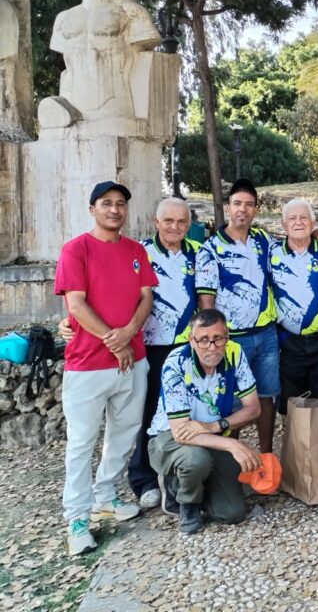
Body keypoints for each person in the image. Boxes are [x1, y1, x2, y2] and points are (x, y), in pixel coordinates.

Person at [54, 181, 157, 555]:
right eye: (106, 203)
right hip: (88, 364)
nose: (114, 210)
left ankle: (106, 494)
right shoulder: (75, 250)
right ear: (92, 209)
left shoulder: (135, 251)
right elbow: (76, 305)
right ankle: (77, 519)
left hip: (133, 361)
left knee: (125, 432)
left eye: (120, 204)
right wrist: (115, 342)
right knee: (82, 442)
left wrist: (129, 333)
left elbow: (146, 297)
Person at [147, 308, 262, 534]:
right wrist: (232, 444)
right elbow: (181, 433)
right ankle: (184, 500)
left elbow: (253, 408)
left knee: (232, 513)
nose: (212, 347)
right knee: (196, 460)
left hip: (210, 434)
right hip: (169, 438)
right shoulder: (176, 362)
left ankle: (199, 488)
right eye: (204, 340)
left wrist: (215, 426)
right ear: (192, 340)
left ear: (227, 336)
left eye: (218, 338)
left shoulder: (234, 352)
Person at [196, 178, 278, 454]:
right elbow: (206, 301)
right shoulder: (210, 249)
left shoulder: (264, 240)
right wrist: (213, 340)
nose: (243, 209)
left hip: (266, 335)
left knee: (266, 397)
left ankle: (266, 458)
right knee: (232, 403)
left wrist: (315, 235)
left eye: (249, 204)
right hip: (233, 339)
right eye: (237, 203)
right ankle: (232, 463)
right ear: (228, 207)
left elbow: (291, 250)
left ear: (256, 210)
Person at [130, 197, 200, 509]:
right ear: (156, 222)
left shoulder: (198, 253)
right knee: (147, 412)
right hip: (149, 346)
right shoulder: (138, 253)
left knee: (185, 410)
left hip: (186, 348)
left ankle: (180, 477)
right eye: (168, 221)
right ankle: (143, 478)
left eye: (181, 221)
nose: (175, 227)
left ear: (189, 224)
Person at [269, 199, 318, 410]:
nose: (298, 222)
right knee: (292, 406)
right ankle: (295, 434)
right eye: (292, 218)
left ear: (313, 223)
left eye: (304, 218)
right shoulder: (271, 253)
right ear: (283, 225)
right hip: (289, 344)